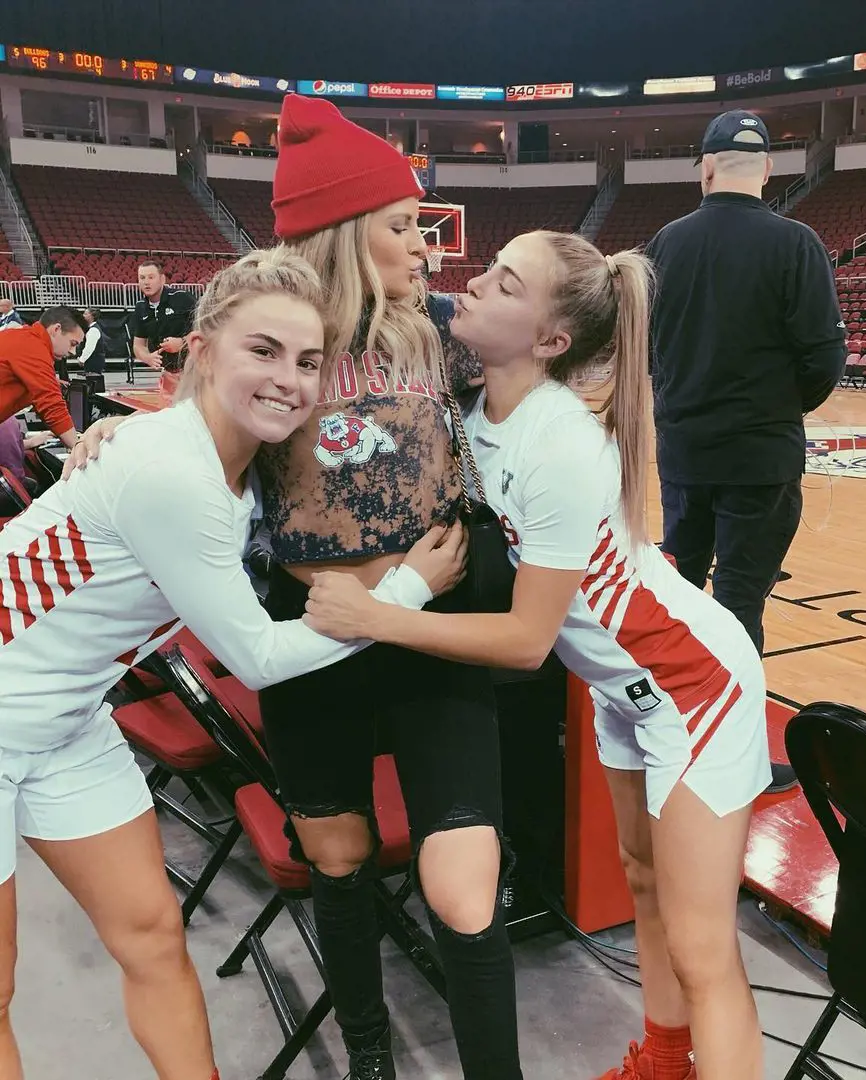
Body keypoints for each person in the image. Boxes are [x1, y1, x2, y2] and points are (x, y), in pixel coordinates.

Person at [73, 94, 522, 1080]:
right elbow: (191, 416)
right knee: (340, 862)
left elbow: (558, 373)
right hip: (310, 639)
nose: (423, 244)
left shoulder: (438, 329)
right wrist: (120, 434)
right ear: (340, 231)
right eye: (402, 224)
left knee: (465, 892)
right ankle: (368, 1056)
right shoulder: (275, 335)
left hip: (434, 634)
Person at [304, 230, 771, 1080]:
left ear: (551, 341)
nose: (473, 281)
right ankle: (664, 1064)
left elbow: (525, 642)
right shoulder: (472, 408)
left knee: (704, 947)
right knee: (642, 880)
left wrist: (378, 614)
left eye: (506, 283)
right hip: (625, 692)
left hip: (693, 690)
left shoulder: (559, 441)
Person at [1, 248, 464, 1080]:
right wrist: (403, 591)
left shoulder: (241, 468)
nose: (289, 378)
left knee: (151, 937)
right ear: (204, 347)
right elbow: (254, 656)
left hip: (66, 720)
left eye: (308, 361)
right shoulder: (169, 469)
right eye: (263, 350)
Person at [645, 111, 847, 794]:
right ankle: (737, 761)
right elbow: (824, 356)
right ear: (766, 170)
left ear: (704, 167)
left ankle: (666, 733)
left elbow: (646, 344)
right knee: (738, 605)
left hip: (682, 451)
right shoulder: (795, 242)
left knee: (675, 593)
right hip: (760, 456)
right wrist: (775, 409)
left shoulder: (664, 244)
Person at [0, 307, 85, 449]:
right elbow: (51, 405)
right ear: (56, 329)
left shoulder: (22, 338)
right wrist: (79, 449)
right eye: (73, 343)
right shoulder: (32, 346)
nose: (73, 352)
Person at [130, 260, 196, 399]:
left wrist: (182, 343)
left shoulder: (182, 298)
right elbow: (138, 345)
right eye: (142, 278)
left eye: (151, 277)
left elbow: (207, 329)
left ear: (162, 279)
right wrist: (147, 357)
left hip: (195, 372)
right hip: (168, 374)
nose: (146, 282)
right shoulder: (141, 307)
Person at [79, 308, 108, 375]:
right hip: (92, 361)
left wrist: (82, 359)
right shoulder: (90, 328)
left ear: (92, 316)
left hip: (94, 362)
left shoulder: (93, 330)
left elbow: (89, 347)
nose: (83, 315)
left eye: (85, 314)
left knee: (93, 382)